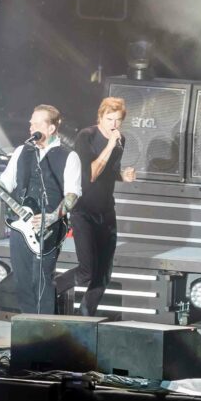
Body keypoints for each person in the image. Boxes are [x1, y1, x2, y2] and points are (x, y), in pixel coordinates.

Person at [0, 105, 81, 314]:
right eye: (31, 123)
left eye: (36, 123)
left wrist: (52, 216)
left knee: (41, 280)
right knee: (22, 280)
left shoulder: (69, 156)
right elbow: (4, 186)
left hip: (50, 228)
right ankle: (27, 326)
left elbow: (72, 195)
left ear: (51, 128)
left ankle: (45, 327)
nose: (31, 127)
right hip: (20, 225)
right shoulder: (21, 152)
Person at [55, 97, 136, 316]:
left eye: (118, 120)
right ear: (100, 117)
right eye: (110, 119)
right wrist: (109, 145)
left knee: (103, 274)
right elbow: (91, 174)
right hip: (84, 210)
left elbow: (110, 171)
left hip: (106, 211)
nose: (114, 125)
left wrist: (123, 175)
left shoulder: (121, 139)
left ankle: (85, 316)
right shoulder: (86, 136)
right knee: (87, 270)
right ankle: (49, 291)